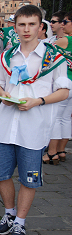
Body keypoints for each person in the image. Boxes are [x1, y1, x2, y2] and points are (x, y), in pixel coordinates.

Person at [0, 5, 70, 235]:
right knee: (1, 174)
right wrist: (3, 95)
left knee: (29, 178)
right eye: (22, 24)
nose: (26, 29)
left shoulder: (53, 57)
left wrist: (38, 101)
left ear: (40, 26)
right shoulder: (8, 56)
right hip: (6, 125)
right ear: (15, 27)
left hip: (34, 128)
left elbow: (64, 90)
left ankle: (21, 223)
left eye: (31, 24)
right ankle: (9, 214)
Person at [42, 10, 72, 164]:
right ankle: (61, 150)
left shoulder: (64, 41)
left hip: (63, 82)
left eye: (65, 22)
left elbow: (45, 50)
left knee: (56, 117)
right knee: (66, 118)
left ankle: (52, 152)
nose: (62, 24)